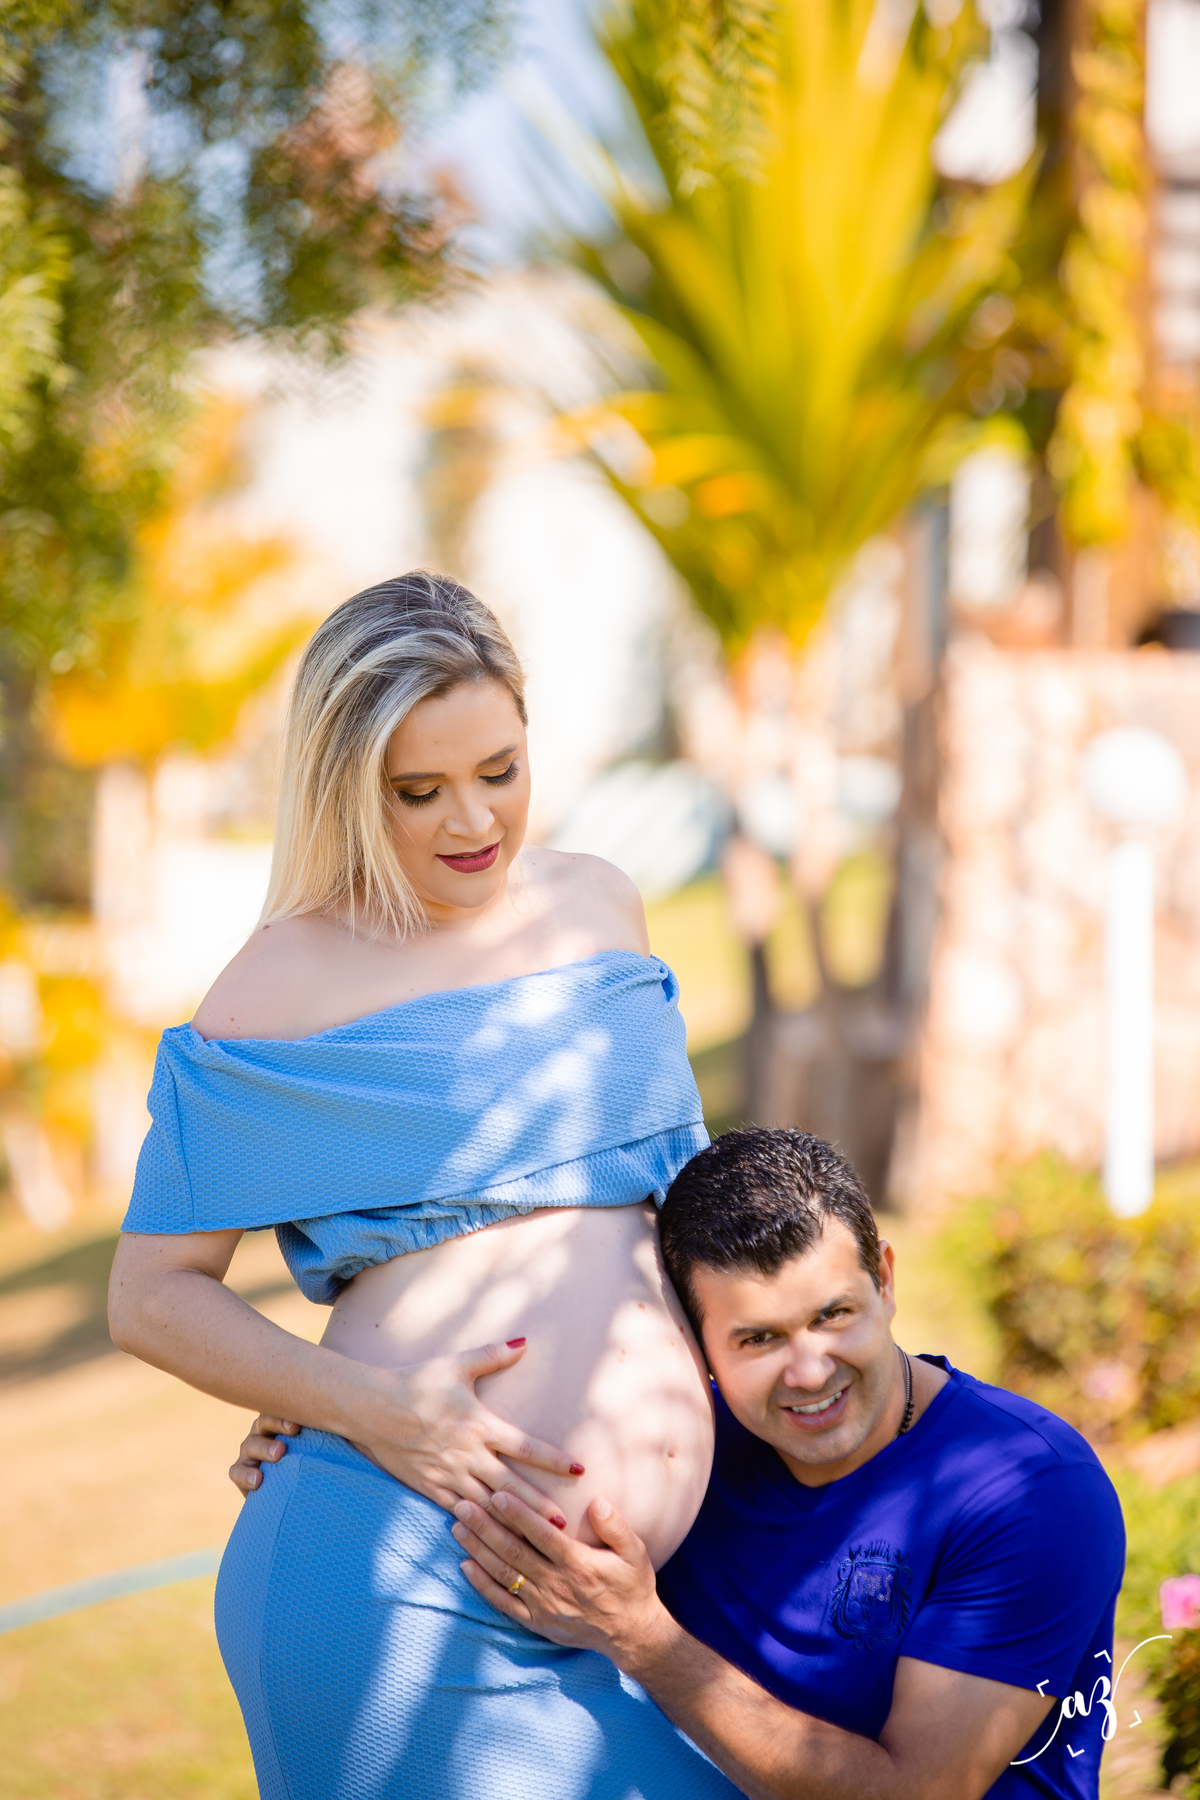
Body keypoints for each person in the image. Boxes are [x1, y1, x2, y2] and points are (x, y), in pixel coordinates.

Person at [108, 572, 743, 1800]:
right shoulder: (280, 985)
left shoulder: (602, 903)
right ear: (348, 785)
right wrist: (360, 1403)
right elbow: (150, 1296)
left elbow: (673, 1208)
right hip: (395, 1575)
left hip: (633, 1602)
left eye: (501, 769)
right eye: (420, 791)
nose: (474, 819)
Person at [431, 1129, 1126, 1800]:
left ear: (885, 1280)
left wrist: (640, 1636)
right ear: (693, 1341)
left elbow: (919, 1793)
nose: (809, 1371)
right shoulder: (679, 1446)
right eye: (759, 1338)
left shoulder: (1032, 1491)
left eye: (832, 1315)